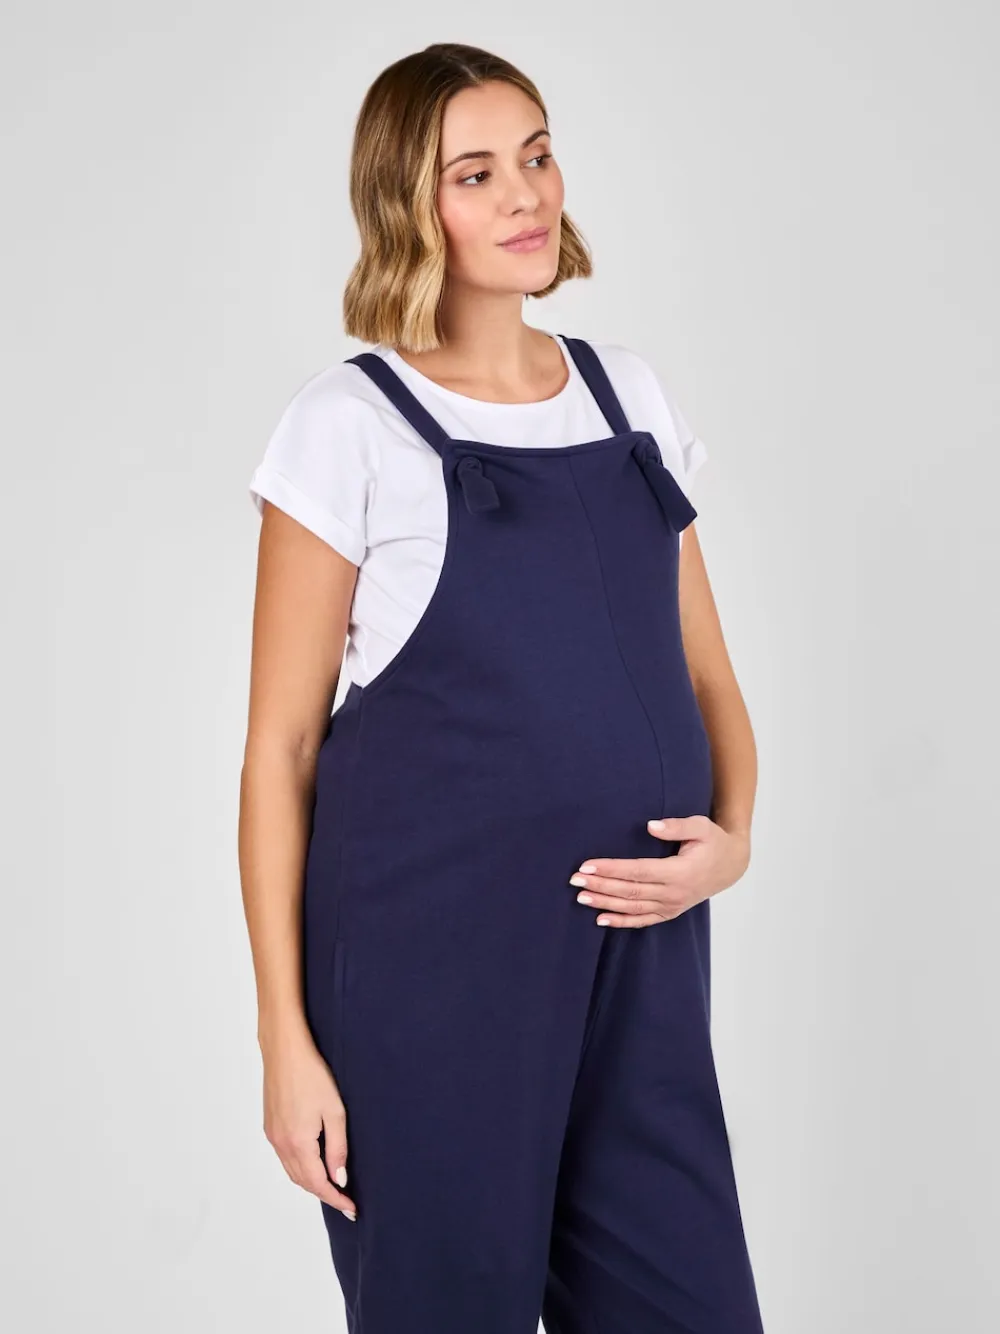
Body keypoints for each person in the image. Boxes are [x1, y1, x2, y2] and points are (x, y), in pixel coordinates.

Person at [239, 40, 765, 1334]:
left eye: (535, 155)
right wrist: (285, 1042)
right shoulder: (349, 426)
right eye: (474, 174)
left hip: (642, 957)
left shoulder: (625, 396)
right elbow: (282, 750)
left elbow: (706, 671)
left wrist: (734, 840)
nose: (525, 194)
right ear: (406, 204)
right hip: (430, 969)